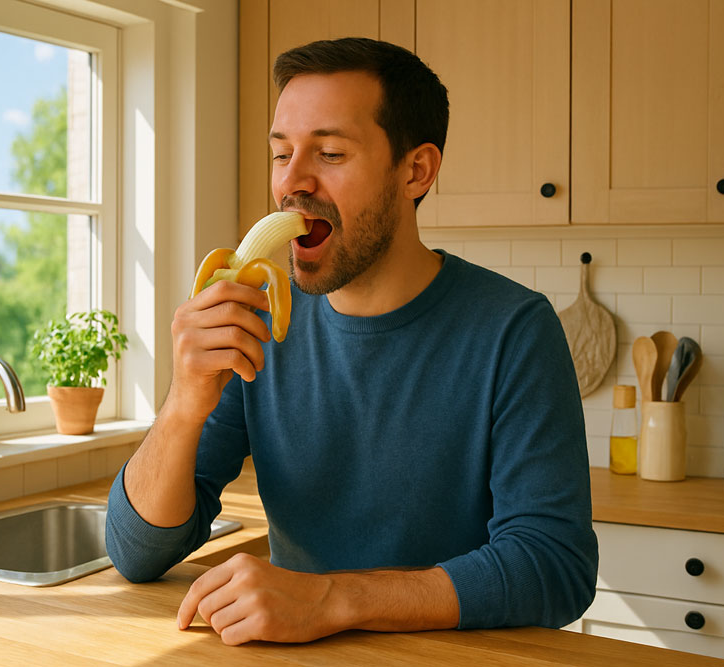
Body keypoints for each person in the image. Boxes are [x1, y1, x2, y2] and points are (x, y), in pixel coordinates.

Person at [106, 37, 598, 646]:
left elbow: (554, 564)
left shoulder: (513, 330)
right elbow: (136, 552)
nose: (291, 182)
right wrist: (184, 401)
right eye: (281, 153)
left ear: (416, 171)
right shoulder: (259, 321)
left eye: (331, 153)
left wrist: (333, 599)